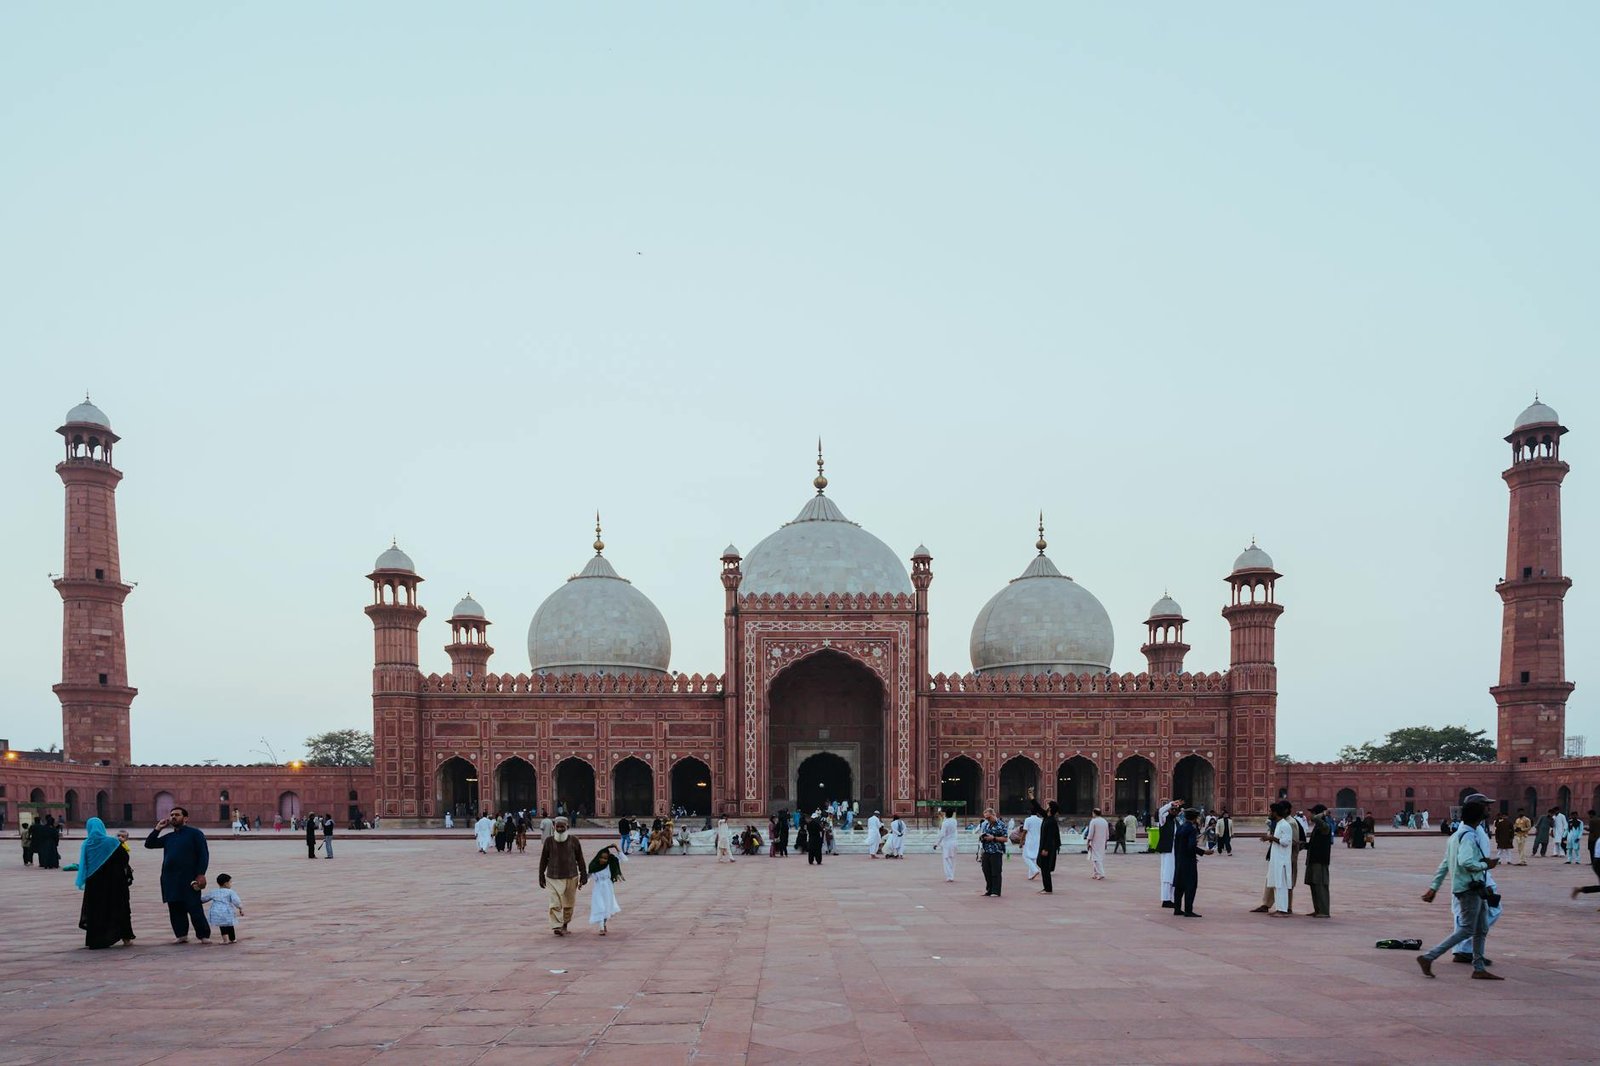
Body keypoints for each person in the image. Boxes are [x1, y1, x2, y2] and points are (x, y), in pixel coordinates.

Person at [1417, 800, 1500, 979]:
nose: (1489, 810)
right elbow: (1466, 862)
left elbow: (1445, 864)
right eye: (1486, 808)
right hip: (1469, 889)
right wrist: (1485, 865)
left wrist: (1434, 887)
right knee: (1467, 929)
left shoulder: (1455, 836)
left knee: (1481, 928)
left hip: (1474, 888)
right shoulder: (1469, 836)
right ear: (1478, 815)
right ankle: (1428, 957)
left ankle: (1478, 968)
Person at [143, 806, 211, 944]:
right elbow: (149, 844)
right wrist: (158, 829)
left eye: (177, 815)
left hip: (189, 878)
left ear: (185, 818)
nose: (173, 817)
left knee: (194, 907)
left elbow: (203, 855)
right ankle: (181, 935)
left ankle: (203, 935)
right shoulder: (170, 837)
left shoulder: (195, 834)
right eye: (172, 815)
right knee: (175, 908)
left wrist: (201, 874)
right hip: (170, 879)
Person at [76, 816, 135, 949]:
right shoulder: (112, 842)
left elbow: (84, 864)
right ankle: (125, 937)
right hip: (115, 883)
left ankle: (96, 939)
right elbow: (124, 858)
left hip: (94, 884)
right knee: (119, 907)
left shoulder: (86, 844)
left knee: (96, 910)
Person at [538, 816, 587, 935]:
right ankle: (556, 926)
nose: (559, 828)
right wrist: (541, 875)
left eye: (562, 826)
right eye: (557, 826)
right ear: (554, 827)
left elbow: (580, 859)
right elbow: (544, 859)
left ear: (567, 827)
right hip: (553, 877)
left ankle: (565, 924)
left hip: (571, 876)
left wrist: (583, 875)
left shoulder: (574, 840)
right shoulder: (549, 841)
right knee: (555, 902)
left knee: (569, 903)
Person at [1171, 808, 1210, 917]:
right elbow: (1191, 846)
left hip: (1179, 860)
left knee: (1179, 886)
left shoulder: (1180, 827)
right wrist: (1203, 852)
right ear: (1195, 818)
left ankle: (1177, 909)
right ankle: (1188, 910)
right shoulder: (1191, 829)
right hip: (1188, 862)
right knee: (1190, 885)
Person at [1264, 800, 1294, 916]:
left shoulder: (1285, 825)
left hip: (1282, 861)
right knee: (1277, 884)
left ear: (1275, 812)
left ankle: (1282, 910)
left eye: (1271, 811)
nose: (1270, 813)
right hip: (1277, 860)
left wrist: (1271, 838)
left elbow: (1286, 842)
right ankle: (1279, 908)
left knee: (1281, 885)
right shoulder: (1279, 824)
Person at [588, 844, 625, 935]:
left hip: (608, 888)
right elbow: (587, 876)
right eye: (602, 858)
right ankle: (601, 927)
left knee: (607, 907)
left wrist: (617, 848)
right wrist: (580, 883)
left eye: (605, 859)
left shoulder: (610, 864)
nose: (603, 860)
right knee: (600, 906)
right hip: (598, 888)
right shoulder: (593, 866)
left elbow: (623, 859)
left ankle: (604, 923)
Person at [1304, 803, 1333, 918]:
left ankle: (1324, 911)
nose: (1310, 815)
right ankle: (1318, 909)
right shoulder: (1317, 827)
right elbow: (1314, 844)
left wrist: (1323, 813)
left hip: (1320, 861)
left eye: (1312, 813)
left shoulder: (1325, 826)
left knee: (1320, 885)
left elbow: (1315, 818)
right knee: (1314, 885)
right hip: (1313, 859)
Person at [201, 873, 244, 944]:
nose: (231, 884)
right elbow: (236, 901)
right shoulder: (230, 892)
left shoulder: (214, 891)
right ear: (226, 883)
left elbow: (205, 898)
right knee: (230, 925)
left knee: (222, 926)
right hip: (227, 911)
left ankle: (225, 940)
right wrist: (240, 908)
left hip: (216, 912)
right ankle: (232, 939)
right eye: (230, 882)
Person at [1155, 799, 1181, 908]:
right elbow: (1160, 811)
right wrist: (1171, 804)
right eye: (1172, 810)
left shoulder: (1176, 822)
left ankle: (1171, 898)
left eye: (1176, 810)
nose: (1174, 811)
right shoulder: (1164, 820)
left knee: (1174, 874)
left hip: (1176, 850)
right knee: (1167, 874)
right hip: (1168, 850)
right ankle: (1165, 899)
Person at [977, 807, 1007, 897]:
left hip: (996, 850)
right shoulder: (986, 825)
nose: (987, 819)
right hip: (986, 850)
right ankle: (989, 889)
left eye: (989, 817)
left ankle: (996, 891)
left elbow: (1005, 838)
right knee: (986, 870)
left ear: (994, 815)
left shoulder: (1001, 825)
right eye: (986, 818)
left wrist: (993, 838)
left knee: (996, 871)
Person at [1038, 801, 1063, 892]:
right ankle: (1046, 887)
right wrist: (1032, 798)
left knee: (1045, 868)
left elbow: (1050, 837)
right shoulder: (1047, 817)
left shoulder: (1051, 821)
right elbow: (1039, 809)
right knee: (1044, 868)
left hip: (1048, 847)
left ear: (1050, 808)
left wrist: (1046, 849)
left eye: (1048, 805)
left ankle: (1048, 888)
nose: (1046, 806)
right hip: (1045, 846)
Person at [1083, 806, 1108, 882]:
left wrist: (1088, 841)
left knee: (1096, 858)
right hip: (1102, 841)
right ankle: (1095, 873)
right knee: (1098, 857)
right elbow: (1107, 833)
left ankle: (1101, 873)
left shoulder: (1093, 821)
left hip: (1095, 841)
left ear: (1094, 813)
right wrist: (1106, 842)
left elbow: (1090, 833)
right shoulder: (1104, 821)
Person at [1021, 806, 1043, 879]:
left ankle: (1034, 870)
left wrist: (1021, 841)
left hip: (1030, 840)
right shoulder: (1040, 820)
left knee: (1025, 856)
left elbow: (1025, 831)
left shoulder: (1028, 819)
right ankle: (1030, 875)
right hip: (1038, 840)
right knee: (1033, 857)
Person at [937, 809, 959, 882]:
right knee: (953, 859)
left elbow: (942, 834)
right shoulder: (954, 821)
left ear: (946, 814)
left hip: (947, 843)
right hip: (954, 842)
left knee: (946, 859)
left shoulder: (945, 823)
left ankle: (949, 876)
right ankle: (952, 875)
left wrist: (937, 843)